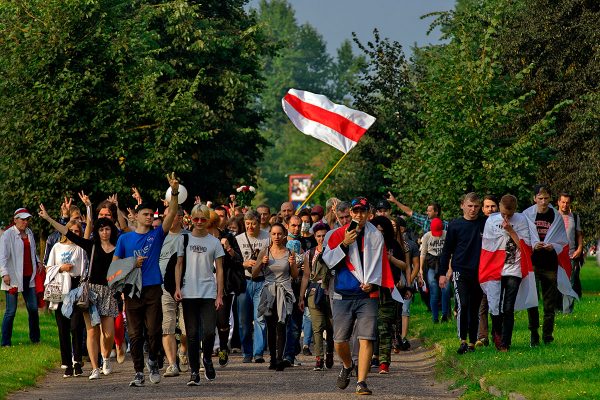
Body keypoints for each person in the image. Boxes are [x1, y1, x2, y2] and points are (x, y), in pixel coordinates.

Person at [40, 197, 120, 380]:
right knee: (92, 331)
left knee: (108, 334)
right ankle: (94, 367)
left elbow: (124, 268)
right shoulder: (90, 245)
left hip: (108, 292)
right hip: (90, 291)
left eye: (107, 228)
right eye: (101, 229)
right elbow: (68, 232)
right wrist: (49, 218)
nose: (104, 232)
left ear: (111, 230)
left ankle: (105, 357)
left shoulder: (118, 248)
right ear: (97, 232)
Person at [113, 173, 180, 387]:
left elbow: (172, 215)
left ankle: (153, 360)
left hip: (152, 288)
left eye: (152, 214)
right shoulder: (125, 238)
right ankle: (138, 372)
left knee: (153, 330)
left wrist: (175, 193)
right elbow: (114, 266)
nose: (150, 217)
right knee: (134, 334)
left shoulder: (157, 235)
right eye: (146, 214)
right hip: (132, 290)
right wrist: (132, 263)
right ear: (136, 217)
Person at [323, 197, 394, 396]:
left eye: (363, 211)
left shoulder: (375, 235)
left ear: (368, 213)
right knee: (339, 341)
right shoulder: (336, 234)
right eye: (356, 211)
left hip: (367, 294)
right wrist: (345, 243)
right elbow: (329, 262)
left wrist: (374, 282)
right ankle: (347, 365)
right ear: (351, 212)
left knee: (366, 338)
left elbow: (380, 263)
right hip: (343, 293)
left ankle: (361, 382)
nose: (359, 215)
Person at [479, 195, 538, 351]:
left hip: (514, 269)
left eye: (509, 214)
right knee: (495, 307)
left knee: (508, 307)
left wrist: (511, 231)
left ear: (515, 209)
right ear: (499, 206)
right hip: (495, 269)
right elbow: (487, 246)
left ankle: (505, 343)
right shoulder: (491, 221)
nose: (506, 217)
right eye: (504, 213)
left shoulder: (521, 220)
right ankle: (497, 333)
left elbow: (525, 248)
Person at [174, 204, 224, 386]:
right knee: (192, 334)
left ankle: (208, 359)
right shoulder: (184, 239)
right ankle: (194, 372)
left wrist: (219, 294)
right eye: (196, 219)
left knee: (210, 331)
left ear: (208, 220)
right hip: (188, 292)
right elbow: (179, 264)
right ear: (191, 220)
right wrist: (178, 287)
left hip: (208, 292)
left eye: (203, 219)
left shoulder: (214, 242)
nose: (200, 222)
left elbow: (219, 270)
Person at [523, 185, 577, 346]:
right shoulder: (527, 215)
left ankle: (547, 335)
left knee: (549, 303)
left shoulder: (556, 216)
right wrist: (533, 244)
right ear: (534, 199)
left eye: (546, 198)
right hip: (532, 264)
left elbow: (562, 240)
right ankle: (534, 333)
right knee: (532, 300)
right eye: (540, 198)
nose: (544, 201)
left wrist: (553, 245)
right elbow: (523, 237)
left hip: (550, 264)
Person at [439, 192, 486, 354]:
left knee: (474, 308)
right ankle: (462, 340)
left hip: (480, 272)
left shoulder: (484, 223)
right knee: (463, 304)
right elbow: (447, 250)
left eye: (476, 206)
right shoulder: (455, 225)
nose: (473, 209)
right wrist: (443, 273)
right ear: (462, 206)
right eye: (470, 206)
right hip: (460, 271)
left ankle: (472, 341)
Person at [45, 219, 87, 377]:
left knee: (76, 326)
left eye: (78, 231)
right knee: (63, 328)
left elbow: (84, 270)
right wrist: (61, 268)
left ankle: (77, 361)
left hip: (76, 287)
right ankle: (67, 363)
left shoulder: (80, 248)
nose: (75, 234)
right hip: (60, 287)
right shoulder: (56, 247)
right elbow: (48, 268)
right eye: (72, 231)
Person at [254, 223, 298, 371]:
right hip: (268, 291)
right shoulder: (265, 251)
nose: (277, 237)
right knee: (270, 326)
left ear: (284, 235)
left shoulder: (290, 252)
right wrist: (261, 262)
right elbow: (254, 274)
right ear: (270, 235)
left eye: (279, 234)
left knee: (282, 325)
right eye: (274, 234)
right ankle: (273, 358)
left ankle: (279, 358)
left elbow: (295, 275)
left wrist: (292, 265)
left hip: (284, 291)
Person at [370, 216, 408, 374]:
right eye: (376, 230)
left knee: (384, 327)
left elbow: (404, 265)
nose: (379, 233)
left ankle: (384, 361)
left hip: (389, 291)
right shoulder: (367, 245)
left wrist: (390, 258)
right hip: (370, 291)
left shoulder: (394, 245)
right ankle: (373, 356)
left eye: (382, 231)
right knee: (371, 328)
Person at [1, 208, 41, 347]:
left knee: (33, 309)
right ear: (15, 219)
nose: (25, 222)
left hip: (29, 276)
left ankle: (35, 339)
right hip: (12, 278)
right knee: (11, 311)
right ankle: (5, 342)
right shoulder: (8, 234)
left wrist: (38, 261)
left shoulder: (29, 233)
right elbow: (2, 256)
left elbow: (32, 251)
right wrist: (4, 273)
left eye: (27, 219)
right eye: (22, 219)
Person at [298, 222, 334, 371]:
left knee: (331, 326)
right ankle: (319, 357)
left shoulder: (334, 252)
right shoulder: (310, 253)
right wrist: (301, 296)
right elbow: (306, 276)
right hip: (314, 291)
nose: (321, 238)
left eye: (324, 235)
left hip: (331, 291)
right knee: (317, 326)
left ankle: (330, 352)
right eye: (318, 236)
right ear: (314, 236)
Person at [235, 210, 270, 363]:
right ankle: (247, 352)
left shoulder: (267, 238)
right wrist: (244, 263)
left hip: (262, 281)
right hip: (244, 282)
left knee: (260, 318)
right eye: (247, 224)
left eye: (253, 224)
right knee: (243, 321)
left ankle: (258, 353)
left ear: (259, 222)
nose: (250, 227)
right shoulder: (238, 239)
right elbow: (232, 263)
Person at [158, 207, 189, 378]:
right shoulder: (159, 237)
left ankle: (183, 349)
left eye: (172, 215)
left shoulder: (188, 237)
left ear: (181, 218)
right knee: (167, 327)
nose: (168, 218)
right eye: (166, 215)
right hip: (163, 287)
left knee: (187, 328)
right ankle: (171, 364)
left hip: (186, 287)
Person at [476, 194, 499, 347]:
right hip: (481, 269)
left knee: (496, 305)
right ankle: (483, 336)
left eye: (493, 206)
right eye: (487, 206)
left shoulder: (502, 223)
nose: (490, 209)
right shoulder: (477, 224)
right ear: (482, 208)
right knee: (482, 305)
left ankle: (497, 334)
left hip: (498, 269)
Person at [557, 193, 583, 313]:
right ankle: (556, 309)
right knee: (555, 283)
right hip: (556, 256)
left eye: (567, 202)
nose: (565, 205)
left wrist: (580, 248)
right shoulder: (553, 216)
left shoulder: (575, 217)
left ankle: (567, 311)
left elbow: (579, 235)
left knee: (570, 283)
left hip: (571, 256)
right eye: (563, 202)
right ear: (558, 202)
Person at [420, 218, 448, 323]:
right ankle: (435, 317)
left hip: (443, 263)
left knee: (446, 289)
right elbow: (422, 253)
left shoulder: (446, 234)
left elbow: (450, 252)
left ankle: (445, 315)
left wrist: (449, 268)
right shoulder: (427, 236)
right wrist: (421, 270)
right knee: (434, 290)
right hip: (431, 264)